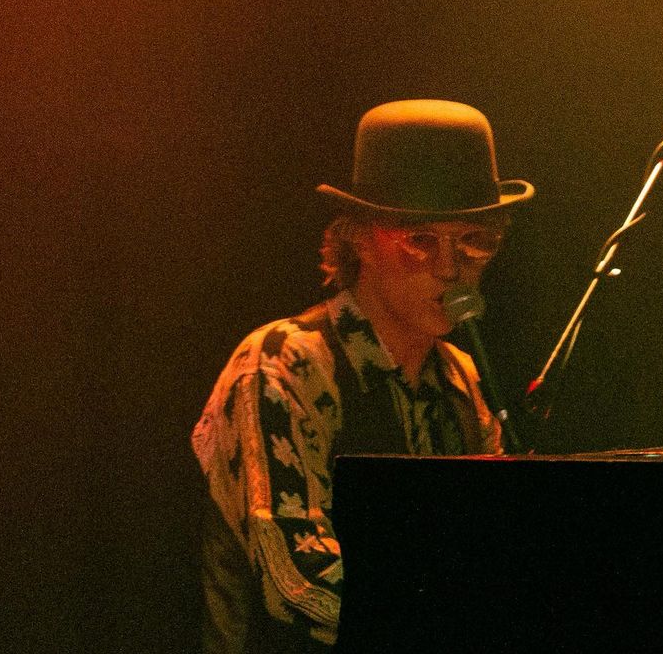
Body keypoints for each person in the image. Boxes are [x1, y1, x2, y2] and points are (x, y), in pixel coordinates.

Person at [191, 99, 534, 652]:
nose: (450, 268)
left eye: (474, 240)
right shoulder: (282, 363)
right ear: (360, 240)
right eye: (420, 241)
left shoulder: (462, 379)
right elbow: (297, 582)